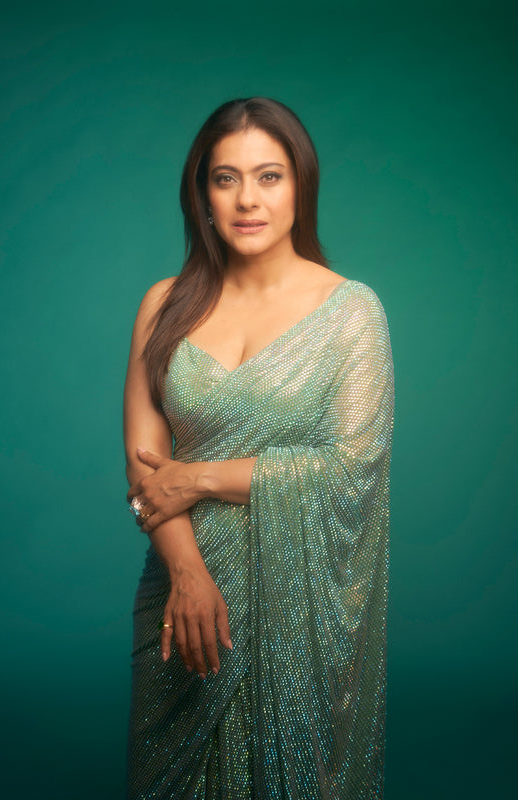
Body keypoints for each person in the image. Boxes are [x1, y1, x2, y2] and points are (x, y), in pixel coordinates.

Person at [123, 96, 394, 800]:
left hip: (298, 606)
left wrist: (198, 477)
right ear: (203, 195)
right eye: (226, 179)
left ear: (300, 187)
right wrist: (186, 575)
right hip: (178, 588)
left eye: (269, 176)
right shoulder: (163, 304)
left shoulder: (350, 312)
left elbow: (350, 468)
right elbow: (146, 470)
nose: (248, 199)